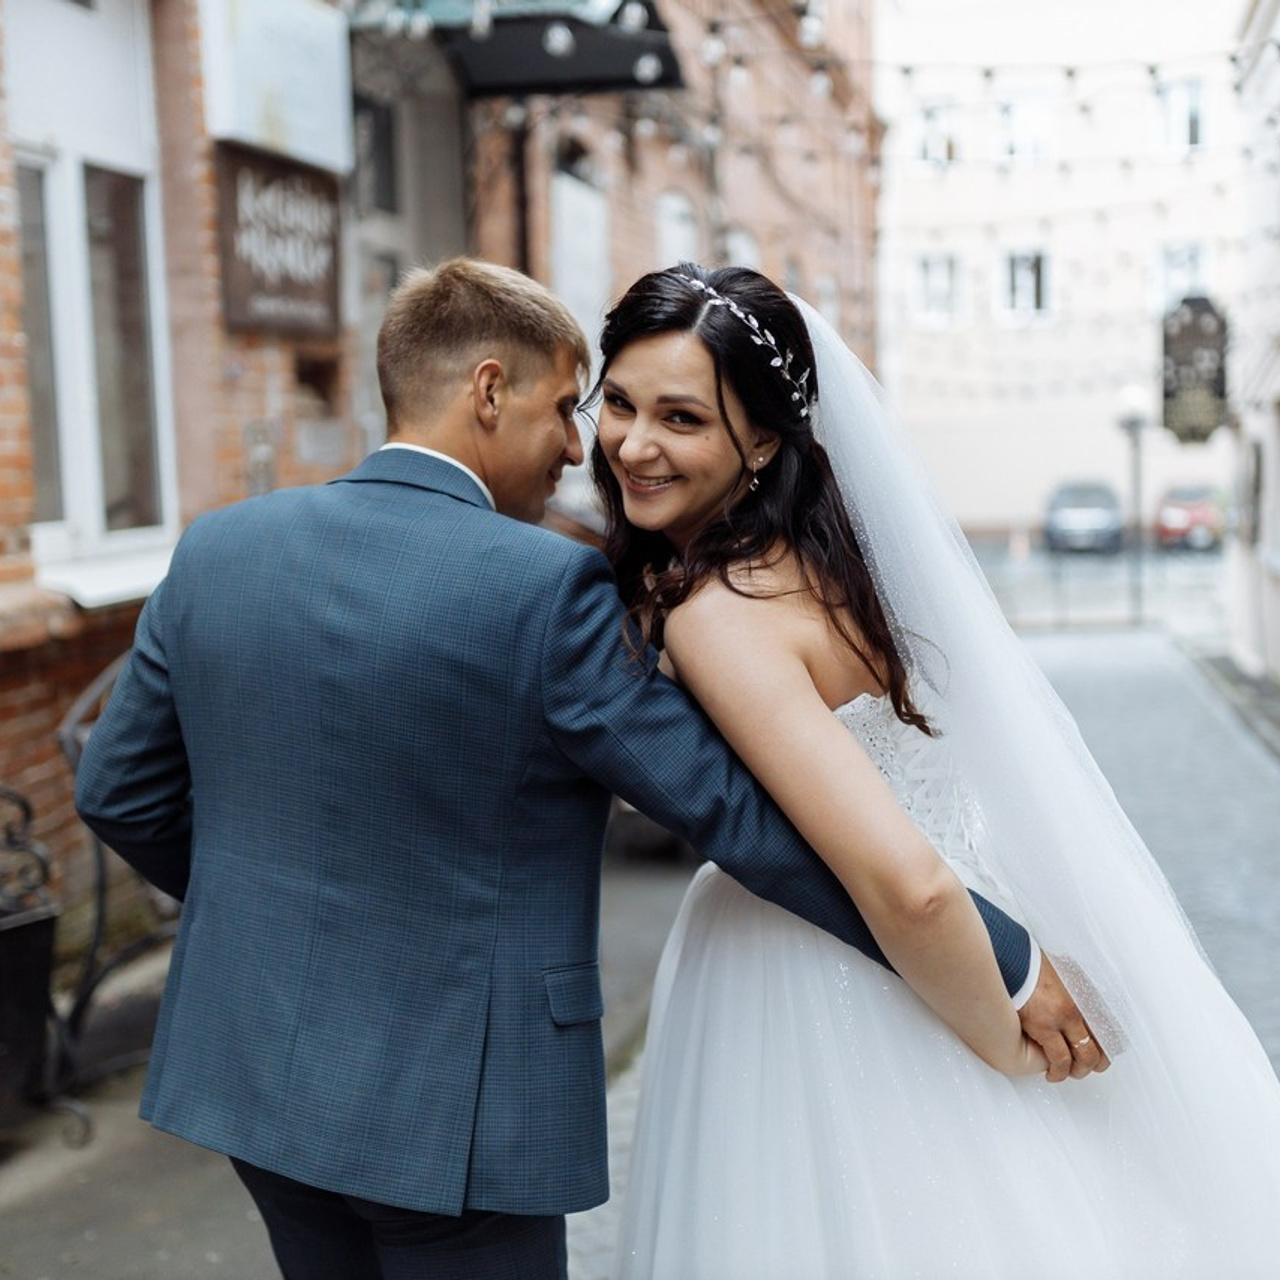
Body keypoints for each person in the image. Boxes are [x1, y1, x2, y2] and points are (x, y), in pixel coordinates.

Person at [73, 258, 1077, 1280]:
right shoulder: (543, 589)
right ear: (488, 391)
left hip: (255, 1074)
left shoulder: (217, 548)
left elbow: (117, 790)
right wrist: (998, 956)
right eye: (569, 407)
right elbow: (738, 817)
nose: (576, 446)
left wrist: (273, 912)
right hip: (453, 1102)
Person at [590, 263, 1280, 1279]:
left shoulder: (719, 613)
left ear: (762, 441)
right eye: (618, 402)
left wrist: (997, 1035)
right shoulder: (833, 560)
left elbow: (907, 885)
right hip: (977, 915)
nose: (633, 444)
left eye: (681, 418)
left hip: (839, 971)